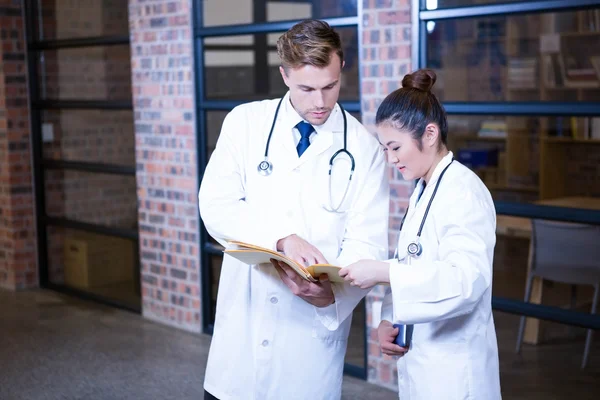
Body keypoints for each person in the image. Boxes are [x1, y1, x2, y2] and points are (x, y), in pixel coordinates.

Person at [198, 19, 389, 400]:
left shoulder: (365, 149)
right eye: (306, 89)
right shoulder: (245, 124)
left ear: (342, 69)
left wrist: (331, 298)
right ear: (284, 75)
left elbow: (367, 242)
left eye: (330, 86)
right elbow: (215, 206)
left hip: (309, 347)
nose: (320, 102)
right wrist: (282, 240)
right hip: (241, 347)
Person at [339, 69, 502, 400]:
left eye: (395, 147)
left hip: (456, 374)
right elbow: (410, 262)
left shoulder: (463, 191)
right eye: (385, 148)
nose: (390, 158)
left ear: (430, 134)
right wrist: (388, 320)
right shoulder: (424, 191)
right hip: (423, 365)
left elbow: (466, 280)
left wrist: (380, 271)